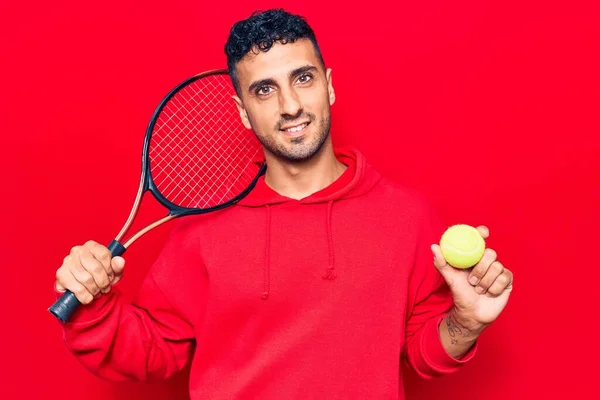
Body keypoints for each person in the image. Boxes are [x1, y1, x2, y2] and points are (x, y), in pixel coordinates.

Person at [53, 8, 513, 399]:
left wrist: (467, 321)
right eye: (265, 90)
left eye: (303, 78)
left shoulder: (407, 217)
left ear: (329, 86)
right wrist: (93, 305)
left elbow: (420, 354)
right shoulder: (203, 230)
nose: (290, 105)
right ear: (241, 111)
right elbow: (152, 351)